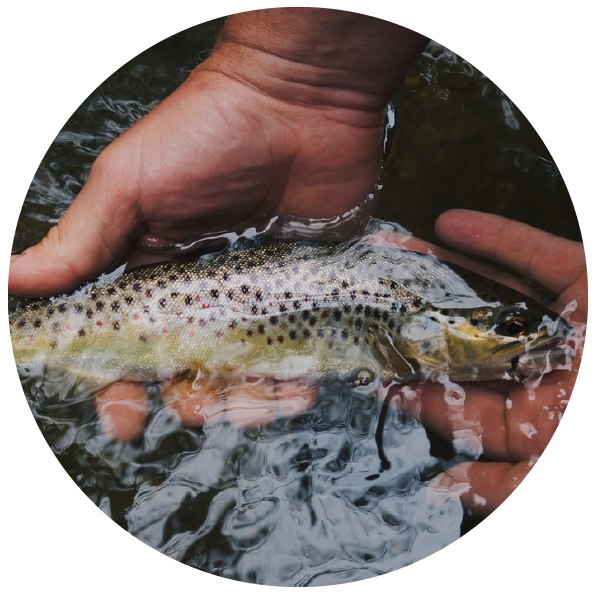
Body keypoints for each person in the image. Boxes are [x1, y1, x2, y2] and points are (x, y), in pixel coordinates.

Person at [8, 8, 586, 517]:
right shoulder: (403, 306)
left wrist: (287, 72)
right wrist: (283, 77)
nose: (526, 336)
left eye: (514, 329)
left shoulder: (403, 306)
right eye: (509, 327)